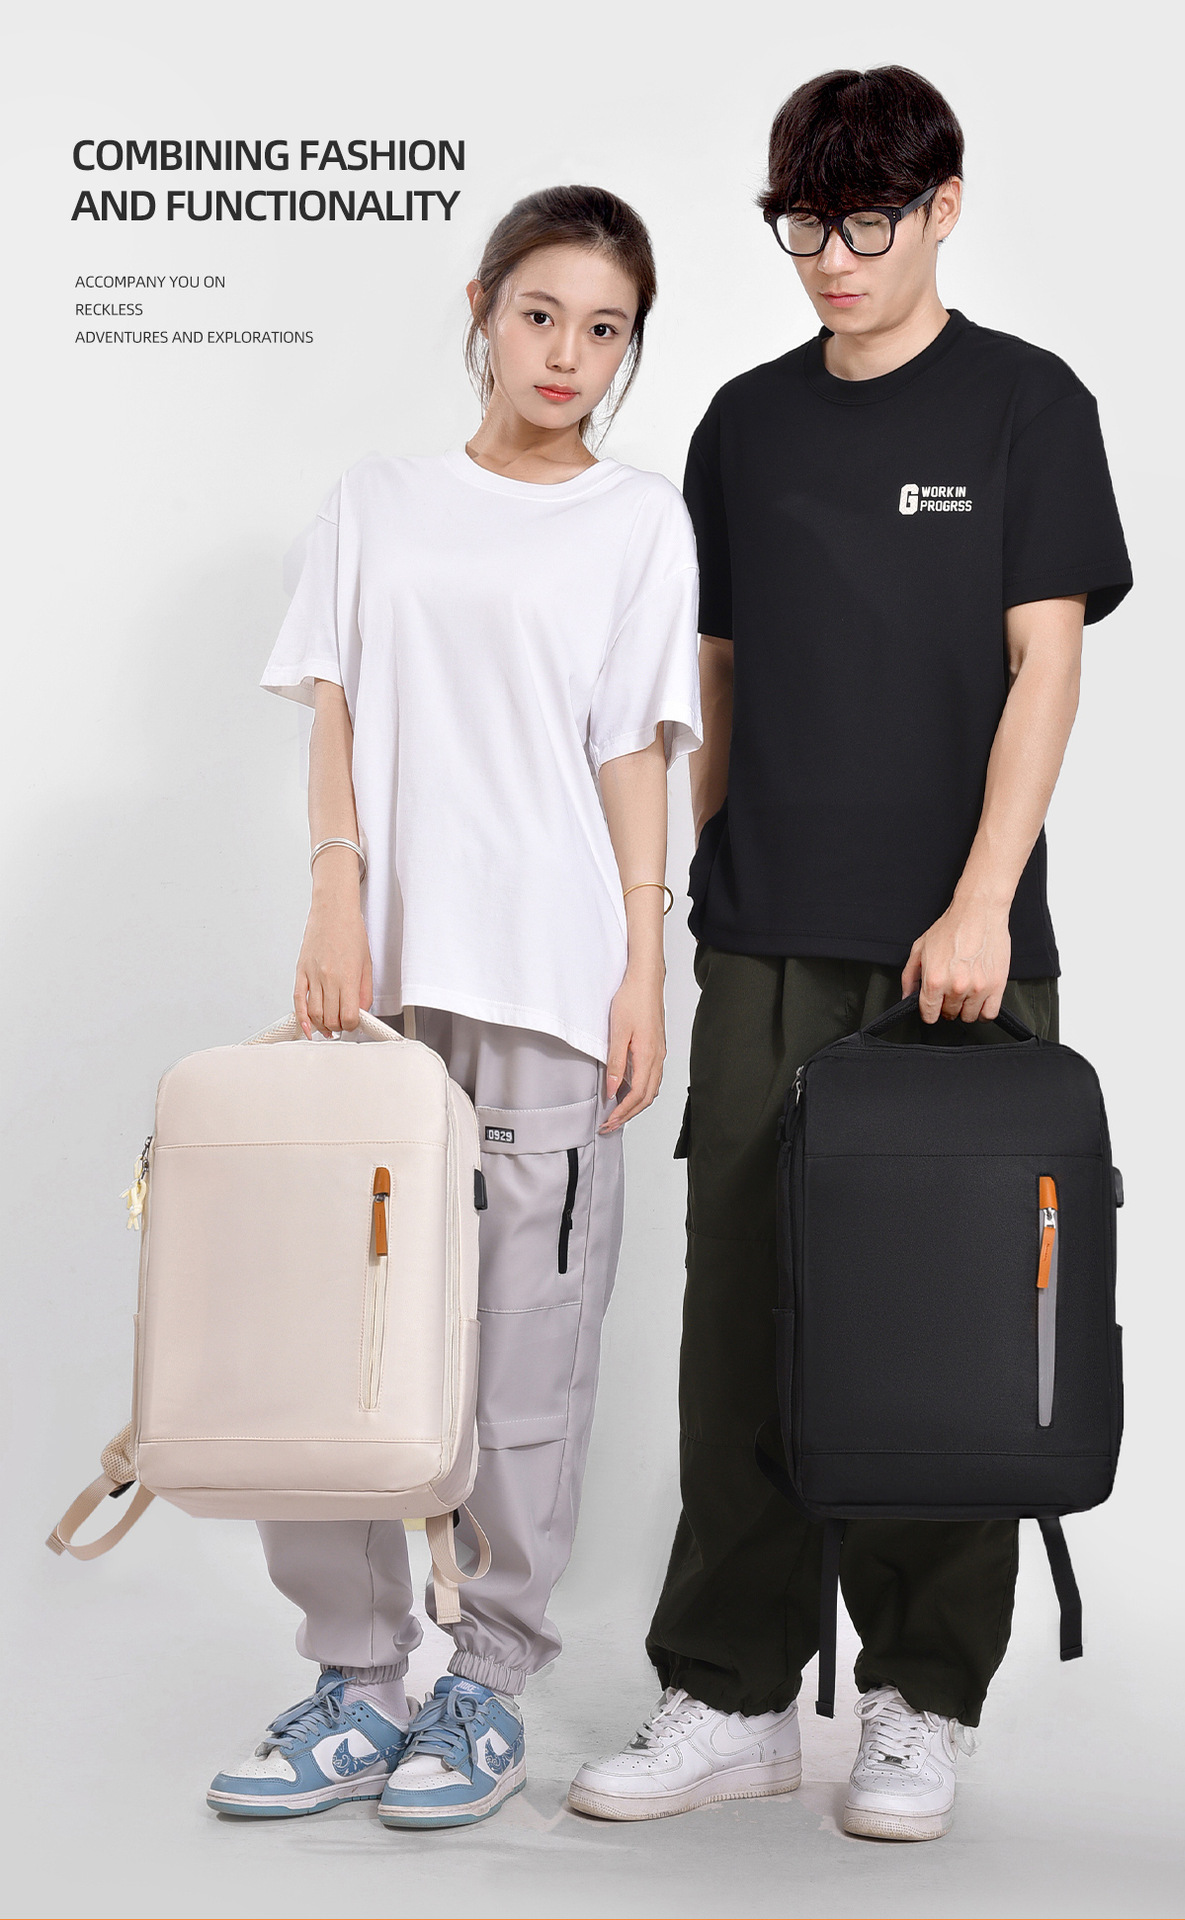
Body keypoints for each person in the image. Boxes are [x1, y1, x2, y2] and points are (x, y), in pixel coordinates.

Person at [570, 67, 1131, 1840]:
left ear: (943, 207)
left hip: (955, 948)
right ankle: (731, 1692)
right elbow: (718, 675)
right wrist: (691, 886)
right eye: (803, 225)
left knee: (937, 1323)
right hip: (763, 938)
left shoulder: (1026, 405)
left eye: (867, 222)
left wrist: (980, 901)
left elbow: (1046, 665)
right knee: (739, 1318)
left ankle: (919, 1696)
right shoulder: (742, 426)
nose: (832, 258)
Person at [207, 185, 701, 1829]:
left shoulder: (637, 523)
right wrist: (333, 891)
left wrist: (644, 957)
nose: (567, 354)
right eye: (541, 313)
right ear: (483, 305)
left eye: (605, 329)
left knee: (523, 1367)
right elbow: (335, 709)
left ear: (628, 349)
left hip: (552, 979)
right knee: (333, 1344)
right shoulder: (379, 502)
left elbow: (629, 749)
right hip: (378, 981)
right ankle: (358, 1682)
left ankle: (481, 1685)